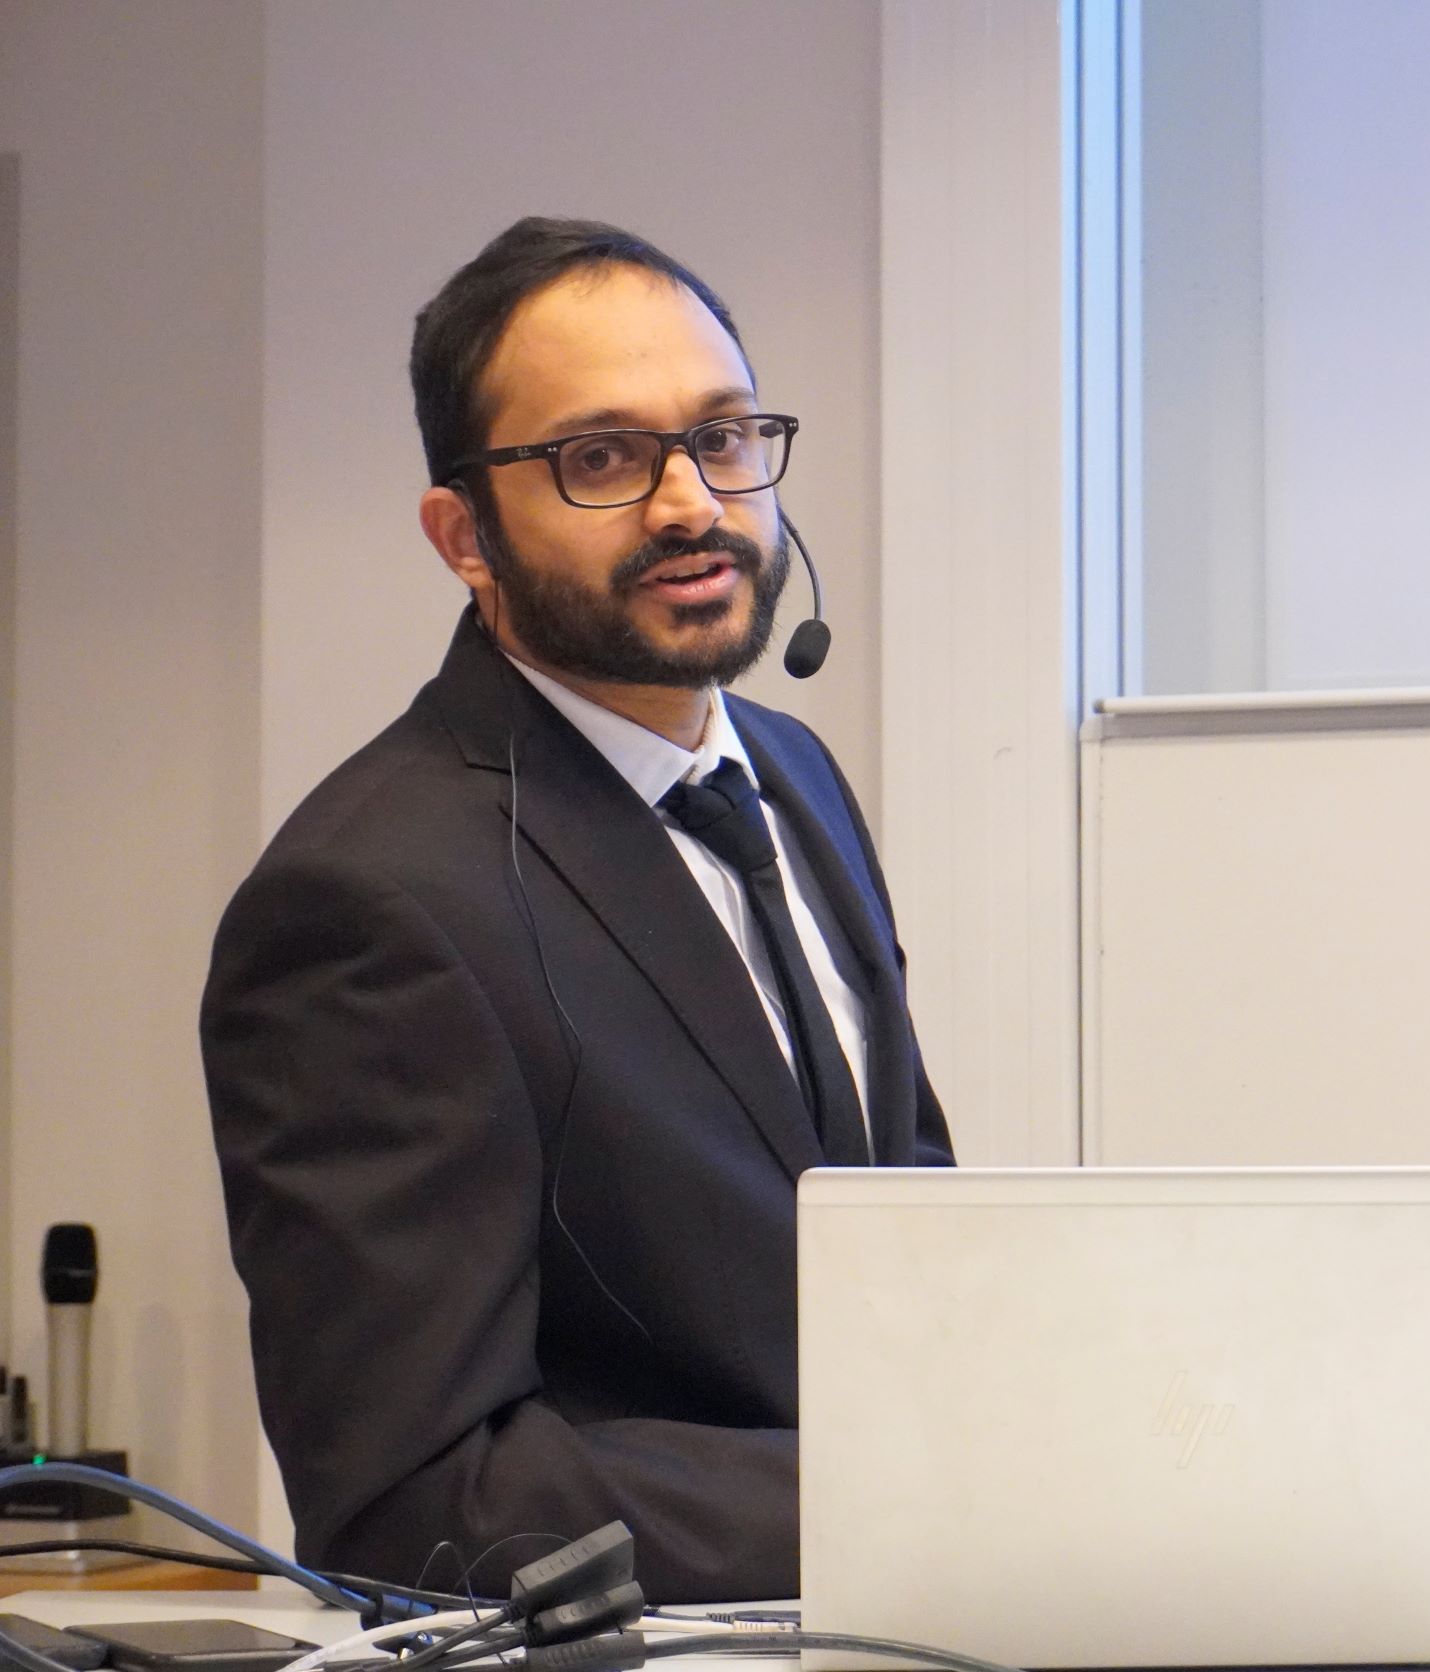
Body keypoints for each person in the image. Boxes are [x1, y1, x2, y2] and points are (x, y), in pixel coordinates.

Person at [201, 218, 952, 1604]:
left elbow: (902, 1236)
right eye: (600, 459)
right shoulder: (367, 902)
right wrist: (920, 1484)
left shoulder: (791, 774)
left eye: (724, 438)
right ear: (462, 535)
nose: (690, 502)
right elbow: (408, 1494)